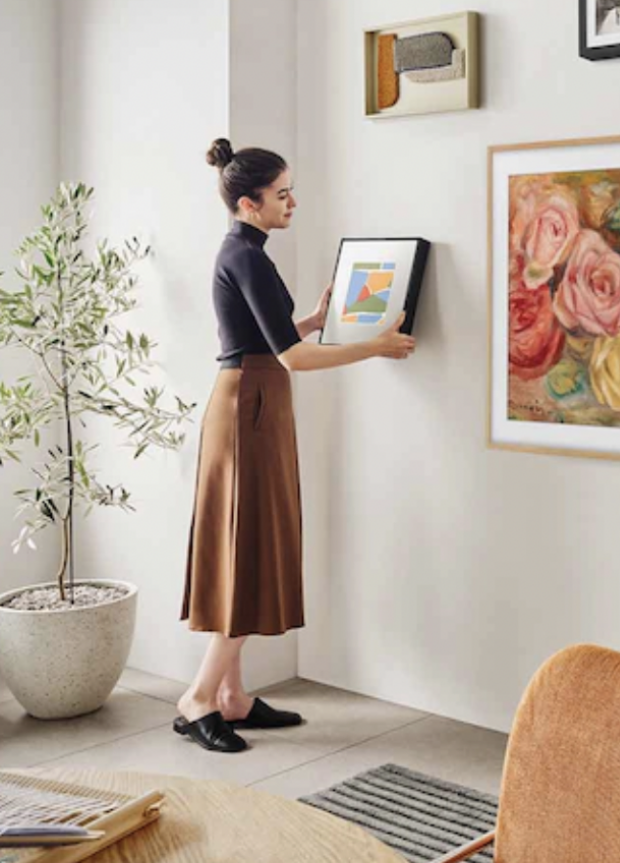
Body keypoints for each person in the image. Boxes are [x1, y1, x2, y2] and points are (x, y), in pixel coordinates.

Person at [175, 138, 415, 753]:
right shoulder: (246, 257)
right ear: (249, 202)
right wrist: (375, 346)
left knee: (247, 548)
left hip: (253, 402)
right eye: (282, 195)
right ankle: (200, 698)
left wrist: (311, 317)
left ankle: (231, 697)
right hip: (249, 405)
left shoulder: (248, 251)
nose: (293, 202)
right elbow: (292, 357)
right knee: (246, 548)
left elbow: (274, 335)